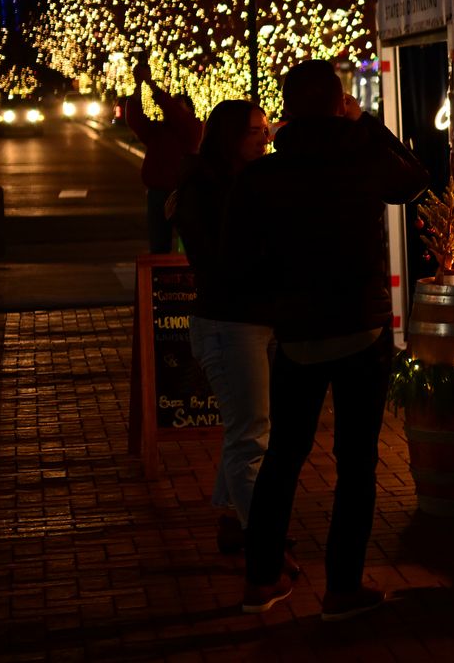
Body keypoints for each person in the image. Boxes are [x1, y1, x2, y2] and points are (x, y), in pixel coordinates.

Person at [224, 61, 427, 620]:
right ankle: (342, 587)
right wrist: (369, 125)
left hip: (297, 333)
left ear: (287, 111)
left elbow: (238, 256)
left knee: (283, 457)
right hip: (361, 327)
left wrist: (277, 302)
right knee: (356, 462)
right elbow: (414, 179)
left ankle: (261, 579)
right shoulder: (360, 158)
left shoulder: (263, 175)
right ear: (341, 104)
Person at [174, 100, 278, 559]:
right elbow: (222, 260)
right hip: (229, 323)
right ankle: (264, 543)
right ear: (229, 136)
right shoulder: (205, 188)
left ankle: (235, 520)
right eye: (255, 131)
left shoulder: (249, 180)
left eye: (266, 128)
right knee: (249, 435)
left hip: (255, 319)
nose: (265, 138)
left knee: (252, 430)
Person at [122, 61, 202, 253]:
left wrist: (150, 83)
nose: (175, 111)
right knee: (159, 246)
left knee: (190, 245)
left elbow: (174, 112)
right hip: (157, 193)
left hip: (182, 193)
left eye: (181, 107)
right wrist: (139, 86)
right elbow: (135, 119)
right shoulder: (160, 131)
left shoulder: (192, 128)